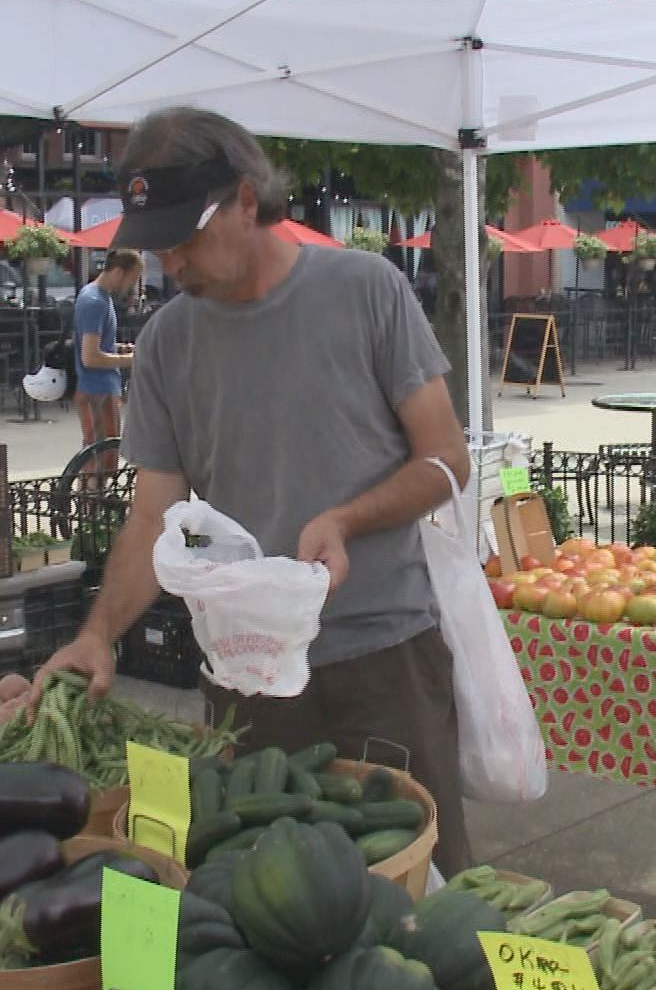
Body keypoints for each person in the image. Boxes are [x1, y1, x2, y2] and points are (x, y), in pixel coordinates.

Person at [33, 106, 475, 873]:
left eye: (187, 236)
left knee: (430, 901)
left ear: (246, 198)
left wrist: (345, 518)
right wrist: (97, 633)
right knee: (264, 910)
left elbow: (446, 461)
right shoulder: (170, 342)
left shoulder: (367, 289)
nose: (172, 261)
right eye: (157, 244)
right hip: (246, 678)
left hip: (382, 658)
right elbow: (152, 519)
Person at [72, 249, 143, 470]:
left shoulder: (96, 297)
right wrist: (131, 360)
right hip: (97, 388)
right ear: (119, 272)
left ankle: (91, 501)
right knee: (101, 461)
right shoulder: (96, 301)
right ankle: (90, 504)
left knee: (101, 457)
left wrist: (119, 349)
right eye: (133, 279)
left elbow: (95, 347)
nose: (132, 286)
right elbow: (90, 357)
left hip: (99, 387)